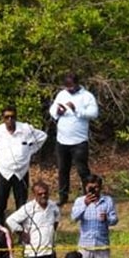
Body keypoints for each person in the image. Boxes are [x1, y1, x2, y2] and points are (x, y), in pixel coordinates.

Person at [0, 105, 48, 222]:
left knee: (21, 204)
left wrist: (31, 151)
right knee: (0, 204)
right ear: (3, 118)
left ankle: (21, 228)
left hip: (21, 171)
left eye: (12, 117)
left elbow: (42, 136)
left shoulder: (26, 129)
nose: (10, 120)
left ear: (16, 117)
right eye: (7, 117)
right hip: (4, 171)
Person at [7, 181, 61, 258]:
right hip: (33, 253)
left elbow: (57, 218)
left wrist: (52, 232)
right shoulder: (28, 208)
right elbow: (11, 220)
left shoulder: (53, 206)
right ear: (34, 194)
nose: (43, 196)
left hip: (49, 251)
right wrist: (22, 233)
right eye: (40, 194)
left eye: (45, 193)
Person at [49, 73, 98, 204]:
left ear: (77, 83)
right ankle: (63, 197)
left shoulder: (86, 96)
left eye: (71, 86)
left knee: (82, 170)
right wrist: (58, 112)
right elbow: (52, 110)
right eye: (67, 86)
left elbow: (94, 113)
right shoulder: (62, 94)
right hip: (62, 140)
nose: (69, 89)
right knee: (63, 170)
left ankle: (89, 195)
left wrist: (76, 110)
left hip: (79, 141)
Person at [70, 175, 118, 258]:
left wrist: (107, 218)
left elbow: (115, 219)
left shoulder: (107, 200)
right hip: (85, 245)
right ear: (86, 187)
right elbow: (73, 218)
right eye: (90, 187)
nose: (93, 190)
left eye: (96, 187)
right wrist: (85, 204)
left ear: (100, 187)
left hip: (101, 244)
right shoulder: (80, 201)